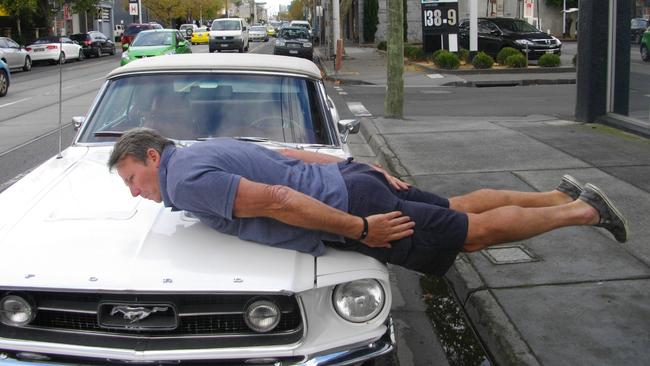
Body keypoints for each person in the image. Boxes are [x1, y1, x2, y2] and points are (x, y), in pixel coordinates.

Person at [108, 128, 629, 276]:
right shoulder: (204, 149)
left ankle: (584, 211)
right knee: (459, 205)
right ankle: (558, 194)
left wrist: (360, 230)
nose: (136, 192)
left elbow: (278, 199)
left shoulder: (184, 180)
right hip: (350, 181)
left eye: (133, 178)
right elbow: (288, 155)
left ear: (152, 157)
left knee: (473, 235)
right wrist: (355, 166)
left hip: (352, 208)